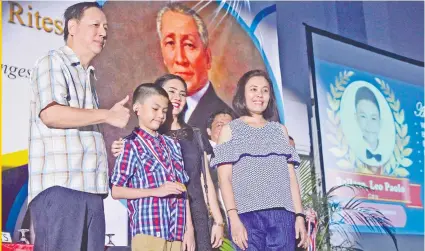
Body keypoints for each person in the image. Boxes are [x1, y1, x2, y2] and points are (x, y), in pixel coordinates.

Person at [28, 2, 130, 251]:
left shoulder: (90, 75)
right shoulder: (53, 62)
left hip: (92, 192)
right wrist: (107, 115)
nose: (103, 32)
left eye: (106, 27)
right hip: (62, 189)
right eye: (95, 25)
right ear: (72, 27)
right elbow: (51, 114)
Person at [112, 75, 225, 251]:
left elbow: (203, 182)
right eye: (171, 92)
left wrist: (215, 222)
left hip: (191, 219)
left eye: (182, 93)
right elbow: (118, 187)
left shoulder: (186, 138)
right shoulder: (137, 140)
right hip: (152, 224)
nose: (177, 97)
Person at [211, 70, 308, 251]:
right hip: (247, 215)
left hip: (283, 216)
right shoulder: (230, 130)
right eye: (253, 89)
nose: (259, 95)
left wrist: (299, 216)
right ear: (243, 94)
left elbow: (291, 178)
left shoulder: (280, 131)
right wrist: (233, 218)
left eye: (264, 91)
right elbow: (225, 180)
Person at [110, 84, 191, 251]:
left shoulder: (172, 144)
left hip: (176, 231)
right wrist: (155, 191)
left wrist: (188, 230)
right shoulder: (129, 144)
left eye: (164, 110)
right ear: (137, 108)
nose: (160, 115)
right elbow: (116, 191)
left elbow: (183, 190)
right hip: (149, 232)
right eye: (155, 109)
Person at [156, 2, 233, 138]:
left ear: (207, 58)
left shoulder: (228, 121)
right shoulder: (153, 113)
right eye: (170, 43)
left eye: (189, 45)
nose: (180, 59)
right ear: (162, 54)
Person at [354, 86, 383, 174]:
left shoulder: (391, 158)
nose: (369, 124)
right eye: (363, 116)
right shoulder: (351, 154)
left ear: (380, 121)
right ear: (356, 118)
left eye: (373, 118)